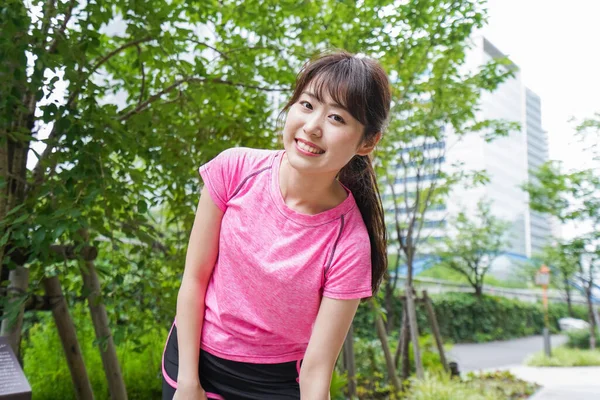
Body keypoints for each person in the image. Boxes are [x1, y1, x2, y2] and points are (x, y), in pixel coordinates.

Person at [162, 51, 391, 400]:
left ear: (367, 142)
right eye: (307, 105)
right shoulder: (234, 170)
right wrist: (189, 383)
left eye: (336, 118)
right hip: (192, 360)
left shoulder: (349, 242)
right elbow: (194, 280)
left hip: (272, 384)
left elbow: (317, 368)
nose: (313, 126)